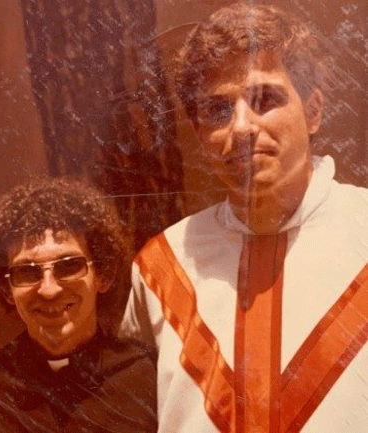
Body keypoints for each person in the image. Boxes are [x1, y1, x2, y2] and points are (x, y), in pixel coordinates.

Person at [120, 3, 368, 432]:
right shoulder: (162, 268)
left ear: (313, 111)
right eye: (218, 110)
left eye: (264, 99)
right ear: (200, 134)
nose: (241, 128)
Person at [0, 179, 158, 432]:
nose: (49, 290)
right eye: (27, 272)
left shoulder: (148, 378)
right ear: (6, 289)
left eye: (68, 266)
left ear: (103, 275)